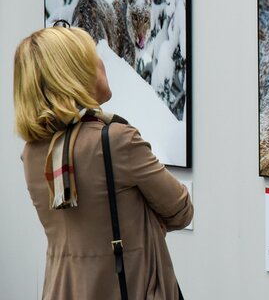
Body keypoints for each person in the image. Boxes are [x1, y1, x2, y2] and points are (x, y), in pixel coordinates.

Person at [14, 25, 193, 300]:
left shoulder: (32, 153)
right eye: (91, 57)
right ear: (73, 74)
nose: (101, 62)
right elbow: (181, 210)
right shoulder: (116, 140)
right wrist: (146, 221)